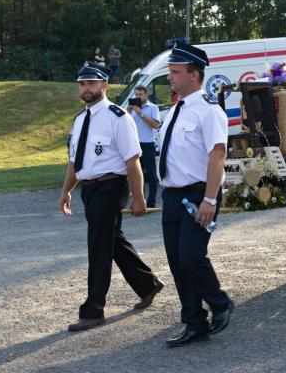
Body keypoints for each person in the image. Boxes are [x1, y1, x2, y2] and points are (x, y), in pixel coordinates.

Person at [59, 62, 164, 331]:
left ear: (104, 85)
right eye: (82, 84)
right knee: (111, 240)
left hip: (111, 187)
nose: (86, 88)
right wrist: (66, 190)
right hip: (89, 190)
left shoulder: (118, 117)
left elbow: (132, 161)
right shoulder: (80, 119)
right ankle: (148, 284)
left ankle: (93, 309)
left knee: (99, 247)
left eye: (91, 83)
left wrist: (139, 198)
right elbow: (74, 161)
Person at [158, 43, 232, 346]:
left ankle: (220, 303)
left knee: (191, 256)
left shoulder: (209, 110)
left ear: (194, 74)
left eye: (175, 72)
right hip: (172, 196)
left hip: (198, 194)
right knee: (177, 260)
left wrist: (210, 199)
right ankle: (194, 321)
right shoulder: (175, 109)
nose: (170, 77)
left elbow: (218, 155)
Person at [127, 85, 160, 208]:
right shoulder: (132, 109)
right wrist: (128, 113)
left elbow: (155, 125)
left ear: (146, 95)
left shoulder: (153, 107)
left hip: (147, 144)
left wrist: (140, 114)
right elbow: (124, 126)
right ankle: (139, 201)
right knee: (135, 175)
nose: (138, 97)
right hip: (134, 145)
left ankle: (151, 202)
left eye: (140, 94)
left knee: (151, 175)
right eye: (136, 94)